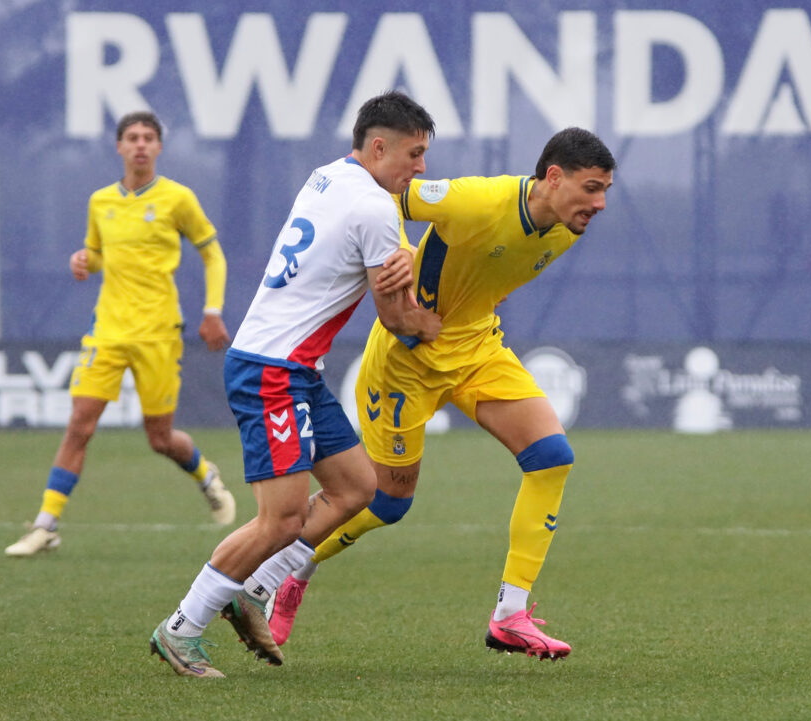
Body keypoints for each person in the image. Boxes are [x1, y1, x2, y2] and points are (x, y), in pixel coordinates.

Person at [253, 127, 616, 661]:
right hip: (407, 362)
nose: (600, 204)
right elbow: (384, 195)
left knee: (551, 458)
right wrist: (400, 254)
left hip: (476, 350)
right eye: (591, 188)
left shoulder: (568, 226)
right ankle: (291, 571)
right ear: (554, 177)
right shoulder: (477, 200)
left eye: (605, 190)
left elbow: (487, 273)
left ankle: (510, 615)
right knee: (386, 503)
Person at [149, 91, 442, 678]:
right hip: (272, 371)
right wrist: (435, 322)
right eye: (414, 153)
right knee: (279, 519)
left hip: (293, 368)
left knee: (357, 488)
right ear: (378, 147)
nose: (421, 167)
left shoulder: (327, 176)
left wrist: (403, 254)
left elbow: (352, 249)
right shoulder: (377, 208)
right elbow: (397, 318)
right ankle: (181, 628)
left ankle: (252, 591)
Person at [5, 111, 235, 558]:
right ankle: (46, 524)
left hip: (158, 333)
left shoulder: (177, 198)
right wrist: (83, 261)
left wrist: (212, 310)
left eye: (149, 137)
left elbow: (213, 254)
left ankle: (205, 475)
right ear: (119, 146)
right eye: (132, 137)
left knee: (160, 439)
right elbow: (96, 254)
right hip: (107, 331)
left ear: (159, 147)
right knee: (80, 424)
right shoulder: (100, 202)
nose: (140, 144)